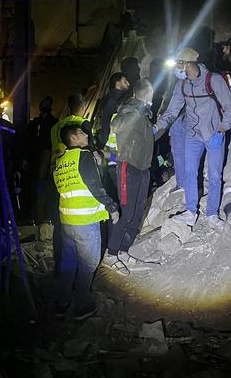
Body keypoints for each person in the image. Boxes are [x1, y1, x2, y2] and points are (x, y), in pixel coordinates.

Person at [154, 48, 231, 228]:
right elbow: (172, 111)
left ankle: (212, 215)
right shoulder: (182, 84)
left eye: (179, 64)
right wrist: (156, 127)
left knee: (215, 176)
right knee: (190, 173)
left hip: (214, 134)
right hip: (192, 135)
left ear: (190, 64)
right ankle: (191, 211)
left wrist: (222, 130)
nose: (177, 68)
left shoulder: (213, 80)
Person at [53, 124, 119, 320]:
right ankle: (82, 305)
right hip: (86, 221)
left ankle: (62, 302)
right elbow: (93, 184)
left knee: (68, 262)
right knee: (88, 264)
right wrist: (111, 206)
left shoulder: (61, 161)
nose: (85, 134)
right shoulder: (83, 156)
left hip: (67, 221)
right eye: (81, 133)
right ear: (73, 138)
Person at [102, 79, 154, 272]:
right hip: (128, 166)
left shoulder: (145, 115)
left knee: (138, 212)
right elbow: (116, 125)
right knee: (127, 212)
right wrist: (137, 111)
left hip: (143, 168)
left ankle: (124, 249)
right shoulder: (129, 109)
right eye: (151, 93)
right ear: (145, 94)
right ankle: (111, 253)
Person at [49, 93, 92, 276]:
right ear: (82, 108)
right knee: (81, 226)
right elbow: (89, 148)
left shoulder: (56, 127)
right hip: (77, 176)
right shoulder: (82, 125)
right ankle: (81, 272)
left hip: (58, 175)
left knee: (61, 223)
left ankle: (60, 266)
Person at [21, 96, 57, 223]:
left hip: (46, 160)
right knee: (32, 188)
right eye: (44, 103)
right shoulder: (34, 123)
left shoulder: (54, 123)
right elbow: (26, 141)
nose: (45, 106)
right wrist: (25, 158)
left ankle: (43, 215)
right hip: (33, 160)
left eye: (47, 104)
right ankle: (33, 214)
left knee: (43, 188)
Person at [97, 72, 130, 148]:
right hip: (109, 143)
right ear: (118, 84)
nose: (128, 84)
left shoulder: (109, 97)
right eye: (125, 81)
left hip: (105, 141)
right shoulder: (113, 100)